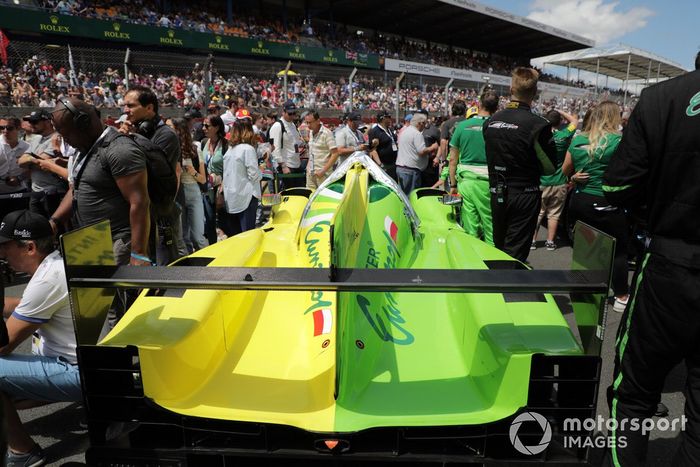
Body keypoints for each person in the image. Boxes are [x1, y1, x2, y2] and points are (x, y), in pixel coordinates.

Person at [600, 66, 700, 466]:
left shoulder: (663, 97)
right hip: (670, 258)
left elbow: (617, 185)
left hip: (668, 267)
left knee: (634, 395)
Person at [0, 210, 82, 467]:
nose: (2, 254)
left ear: (29, 247)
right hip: (88, 365)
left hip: (75, 371)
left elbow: (4, 344)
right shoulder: (56, 264)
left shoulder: (47, 280)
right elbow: (26, 305)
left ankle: (24, 452)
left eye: (5, 247)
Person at [50, 98, 151, 267]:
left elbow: (139, 202)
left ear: (83, 124)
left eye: (67, 134)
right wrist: (55, 221)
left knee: (120, 294)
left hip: (119, 244)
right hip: (93, 241)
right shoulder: (83, 150)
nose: (65, 141)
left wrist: (139, 253)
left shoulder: (119, 150)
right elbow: (76, 188)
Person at [483, 67, 557, 263]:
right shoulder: (538, 125)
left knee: (498, 248)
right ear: (534, 93)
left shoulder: (491, 121)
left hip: (496, 192)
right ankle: (508, 290)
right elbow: (550, 168)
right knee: (515, 254)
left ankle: (497, 288)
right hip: (524, 194)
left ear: (510, 89)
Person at [562, 101, 628, 311]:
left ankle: (583, 289)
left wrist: (573, 176)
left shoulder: (578, 139)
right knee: (618, 250)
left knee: (585, 246)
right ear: (613, 116)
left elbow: (565, 170)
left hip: (580, 201)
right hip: (606, 201)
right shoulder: (619, 140)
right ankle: (621, 295)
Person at [121, 85, 184, 265]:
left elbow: (151, 170)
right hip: (138, 210)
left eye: (131, 105)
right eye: (125, 105)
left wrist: (130, 139)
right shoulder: (137, 131)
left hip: (157, 212)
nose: (126, 110)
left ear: (149, 108)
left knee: (160, 265)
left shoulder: (166, 135)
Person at [448, 90, 499, 245]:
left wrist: (453, 185)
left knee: (470, 227)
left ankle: (472, 262)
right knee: (490, 226)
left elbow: (452, 160)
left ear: (478, 105)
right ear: (496, 108)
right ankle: (491, 262)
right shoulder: (497, 126)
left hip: (465, 181)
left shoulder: (462, 126)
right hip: (488, 181)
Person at [532, 108, 578, 251]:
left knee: (538, 213)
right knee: (554, 213)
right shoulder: (564, 135)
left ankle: (532, 241)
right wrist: (561, 111)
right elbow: (575, 121)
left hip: (541, 181)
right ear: (560, 122)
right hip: (560, 181)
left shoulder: (539, 136)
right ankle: (550, 242)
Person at [17, 110, 67, 219]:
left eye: (35, 122)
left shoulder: (57, 138)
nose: (31, 125)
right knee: (36, 228)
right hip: (36, 192)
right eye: (30, 122)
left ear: (48, 122)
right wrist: (32, 159)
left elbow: (43, 162)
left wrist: (30, 161)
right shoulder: (36, 139)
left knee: (55, 228)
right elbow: (20, 162)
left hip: (53, 192)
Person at [169, 118, 208, 252]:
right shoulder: (171, 149)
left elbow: (203, 180)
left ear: (179, 130)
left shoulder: (195, 150)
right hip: (178, 193)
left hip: (194, 192)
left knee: (197, 236)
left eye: (170, 127)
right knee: (183, 237)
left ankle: (210, 266)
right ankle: (188, 269)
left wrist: (192, 171)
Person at [221, 118, 262, 236]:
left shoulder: (230, 150)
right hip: (247, 197)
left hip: (232, 198)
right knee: (248, 236)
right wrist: (262, 169)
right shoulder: (248, 149)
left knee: (236, 237)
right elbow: (254, 175)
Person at [200, 115, 228, 245]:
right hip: (207, 187)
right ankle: (212, 245)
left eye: (207, 126)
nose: (203, 128)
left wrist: (223, 186)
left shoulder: (225, 145)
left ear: (216, 127)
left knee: (222, 219)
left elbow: (229, 168)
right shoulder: (204, 142)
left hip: (221, 188)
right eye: (203, 125)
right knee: (209, 219)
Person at [396, 112, 438, 195]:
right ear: (420, 123)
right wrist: (433, 147)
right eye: (424, 124)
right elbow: (421, 151)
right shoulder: (417, 134)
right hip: (411, 170)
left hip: (402, 167)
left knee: (403, 196)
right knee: (411, 196)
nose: (425, 126)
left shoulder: (405, 131)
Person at [269, 100, 304, 189]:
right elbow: (274, 148)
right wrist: (283, 166)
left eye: (294, 113)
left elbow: (295, 142)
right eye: (290, 113)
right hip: (286, 166)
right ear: (283, 112)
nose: (292, 116)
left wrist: (302, 145)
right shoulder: (278, 126)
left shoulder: (292, 125)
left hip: (296, 164)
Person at [0, 116, 30, 220]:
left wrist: (19, 179)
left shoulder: (27, 147)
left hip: (19, 193)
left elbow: (32, 169)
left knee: (18, 224)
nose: (4, 131)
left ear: (18, 128)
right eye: (1, 128)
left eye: (9, 128)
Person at [304, 111, 338, 189]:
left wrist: (323, 171)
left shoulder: (327, 133)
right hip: (310, 174)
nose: (308, 125)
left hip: (323, 175)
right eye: (307, 122)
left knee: (324, 199)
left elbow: (335, 153)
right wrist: (308, 167)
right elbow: (312, 151)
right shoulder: (311, 132)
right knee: (310, 198)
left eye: (310, 123)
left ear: (318, 121)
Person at [368, 111, 398, 180]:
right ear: (383, 118)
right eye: (389, 117)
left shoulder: (390, 130)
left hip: (392, 163)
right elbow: (373, 150)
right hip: (383, 164)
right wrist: (380, 165)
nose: (390, 119)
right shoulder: (375, 131)